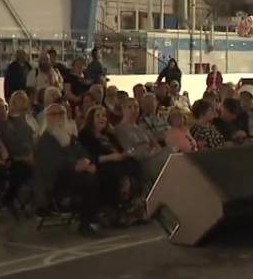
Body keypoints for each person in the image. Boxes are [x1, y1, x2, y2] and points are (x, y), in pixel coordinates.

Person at [32, 104, 103, 236]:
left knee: (99, 174)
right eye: (54, 114)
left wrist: (88, 163)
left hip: (74, 174)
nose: (59, 117)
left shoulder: (68, 136)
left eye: (62, 113)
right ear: (47, 118)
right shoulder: (45, 140)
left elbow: (84, 152)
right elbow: (54, 164)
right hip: (55, 182)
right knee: (88, 181)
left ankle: (96, 218)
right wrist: (77, 165)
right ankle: (87, 223)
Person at [78, 106, 144, 214]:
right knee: (115, 170)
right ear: (91, 119)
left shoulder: (108, 134)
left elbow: (119, 150)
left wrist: (125, 153)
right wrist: (111, 157)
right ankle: (117, 206)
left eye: (104, 116)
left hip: (116, 160)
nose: (102, 118)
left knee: (134, 164)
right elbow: (89, 157)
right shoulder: (85, 134)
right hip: (99, 163)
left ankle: (134, 201)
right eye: (98, 116)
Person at [114, 98, 171, 182]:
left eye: (136, 107)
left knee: (171, 150)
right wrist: (149, 151)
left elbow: (156, 145)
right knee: (169, 155)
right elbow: (131, 151)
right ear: (123, 109)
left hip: (153, 157)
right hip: (141, 164)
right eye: (129, 107)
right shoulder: (120, 129)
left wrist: (152, 151)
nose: (133, 110)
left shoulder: (141, 127)